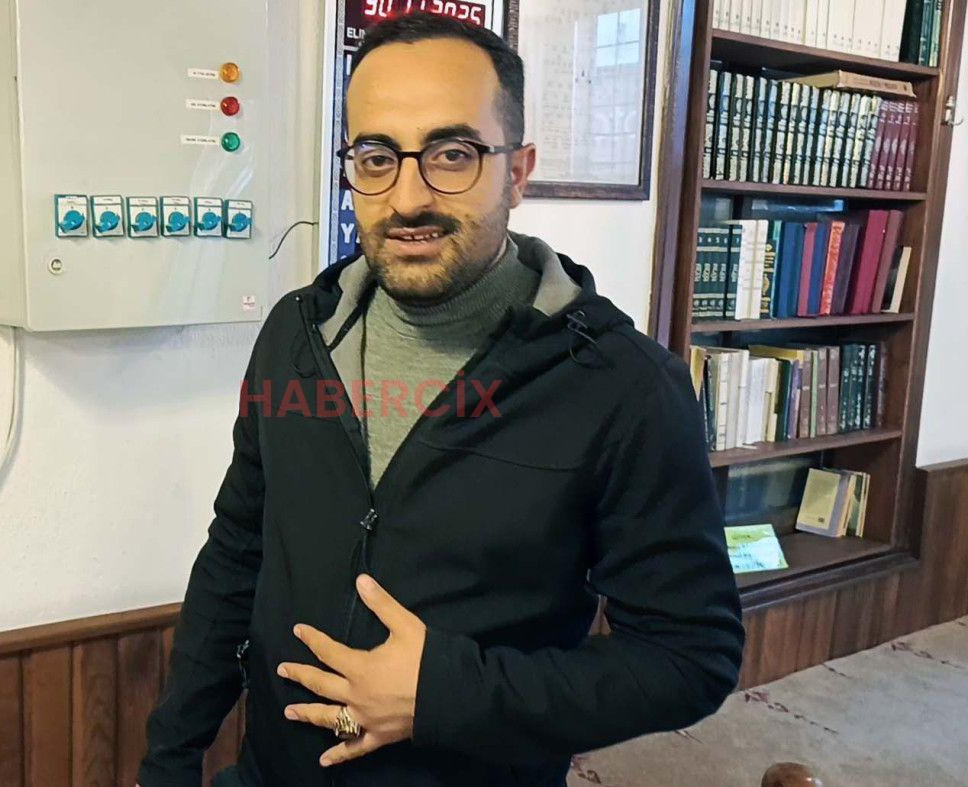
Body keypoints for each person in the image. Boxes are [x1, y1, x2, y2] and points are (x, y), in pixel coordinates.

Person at [138, 12, 744, 787]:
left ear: (517, 172)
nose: (408, 197)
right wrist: (168, 759)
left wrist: (444, 693)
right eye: (376, 157)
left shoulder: (625, 388)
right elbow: (236, 552)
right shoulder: (295, 335)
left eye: (452, 154)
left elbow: (689, 657)